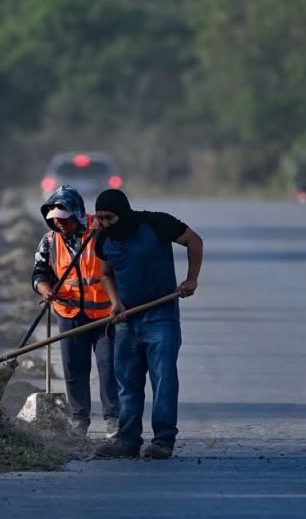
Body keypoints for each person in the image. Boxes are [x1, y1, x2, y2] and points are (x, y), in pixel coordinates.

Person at [91, 189, 203, 460]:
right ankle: (127, 440)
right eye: (101, 218)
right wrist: (115, 302)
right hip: (126, 321)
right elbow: (105, 275)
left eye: (110, 217)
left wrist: (191, 280)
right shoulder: (102, 239)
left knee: (163, 379)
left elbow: (194, 241)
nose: (105, 223)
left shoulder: (156, 223)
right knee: (127, 382)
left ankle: (163, 441)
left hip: (161, 317)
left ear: (124, 213)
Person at [32, 185, 120, 437]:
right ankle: (79, 421)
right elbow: (39, 272)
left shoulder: (101, 231)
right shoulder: (49, 241)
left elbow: (121, 263)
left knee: (108, 366)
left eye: (63, 220)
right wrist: (45, 289)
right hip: (69, 314)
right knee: (74, 369)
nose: (58, 225)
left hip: (105, 316)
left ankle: (113, 420)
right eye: (53, 221)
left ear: (77, 214)